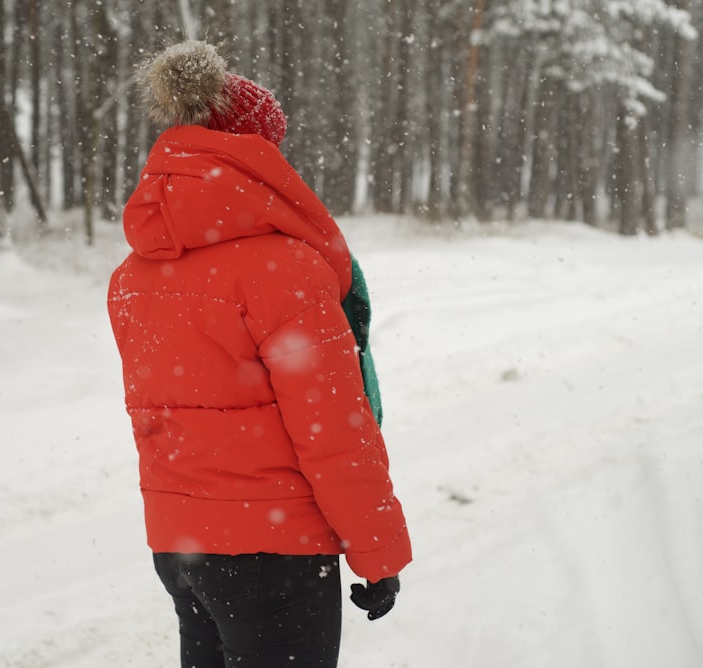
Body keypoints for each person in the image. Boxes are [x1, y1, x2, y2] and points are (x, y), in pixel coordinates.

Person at [107, 40, 412, 668]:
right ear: (255, 158)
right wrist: (377, 552)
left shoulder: (134, 275)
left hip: (179, 545)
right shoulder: (287, 272)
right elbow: (332, 433)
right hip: (276, 553)